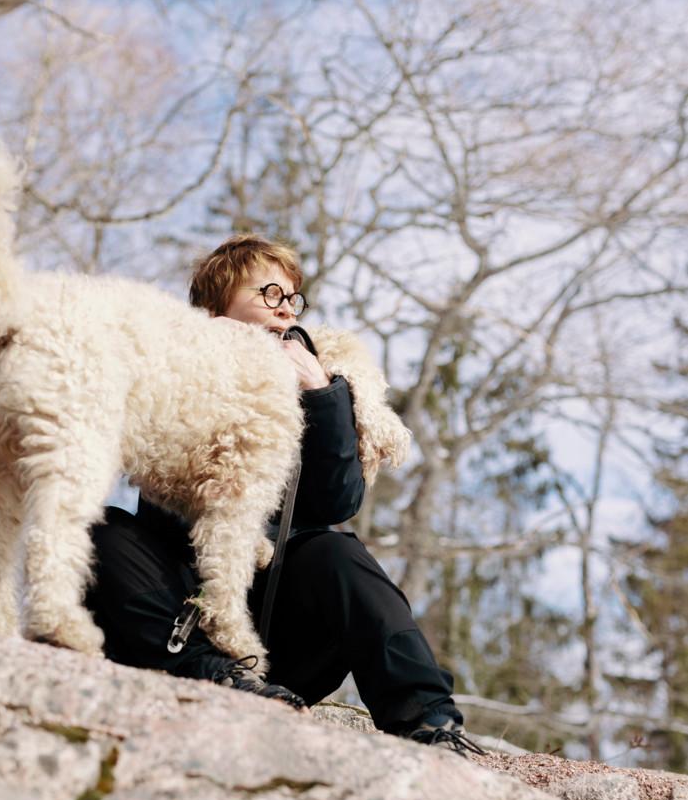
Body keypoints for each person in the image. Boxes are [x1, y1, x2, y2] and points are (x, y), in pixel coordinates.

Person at [84, 235, 481, 756]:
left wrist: (322, 394)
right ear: (216, 306)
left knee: (338, 551)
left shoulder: (321, 377)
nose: (286, 306)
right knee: (99, 529)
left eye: (292, 296)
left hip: (279, 635)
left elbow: (335, 502)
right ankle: (211, 672)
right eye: (269, 293)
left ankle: (427, 721)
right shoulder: (167, 361)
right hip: (175, 618)